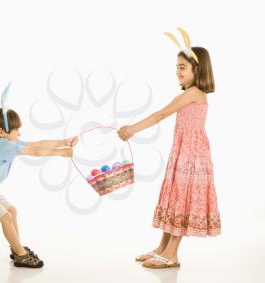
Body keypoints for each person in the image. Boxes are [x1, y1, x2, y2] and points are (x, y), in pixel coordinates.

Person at [117, 35, 221, 269]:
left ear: (198, 68)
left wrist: (132, 129)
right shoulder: (190, 93)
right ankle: (163, 247)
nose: (178, 71)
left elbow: (160, 115)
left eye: (182, 67)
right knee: (174, 197)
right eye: (176, 67)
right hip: (183, 152)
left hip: (192, 156)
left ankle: (172, 253)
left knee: (182, 200)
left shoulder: (193, 94)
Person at [0, 107, 78, 268]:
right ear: (1, 132)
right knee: (6, 217)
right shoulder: (2, 145)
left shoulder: (6, 143)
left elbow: (38, 144)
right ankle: (21, 255)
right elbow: (36, 152)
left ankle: (17, 248)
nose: (19, 134)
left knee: (12, 211)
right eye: (16, 130)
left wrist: (64, 142)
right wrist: (60, 153)